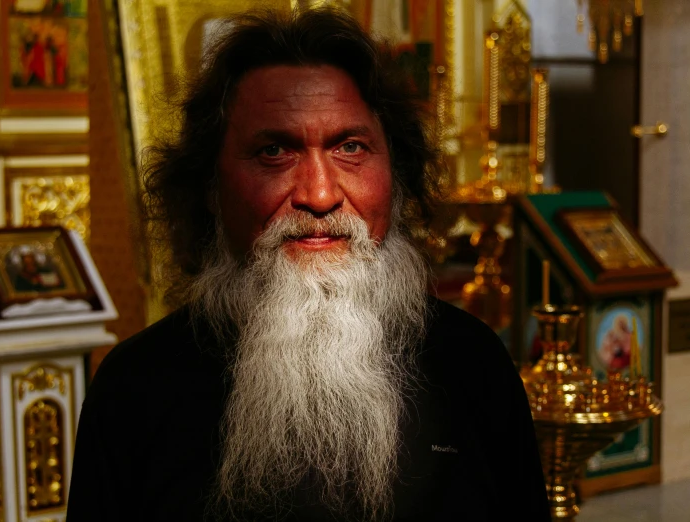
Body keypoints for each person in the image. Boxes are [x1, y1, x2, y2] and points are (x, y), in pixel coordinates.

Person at [67, 7, 549, 521]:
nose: (319, 195)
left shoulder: (473, 366)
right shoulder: (134, 390)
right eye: (274, 150)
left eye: (351, 147)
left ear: (397, 176)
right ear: (210, 187)